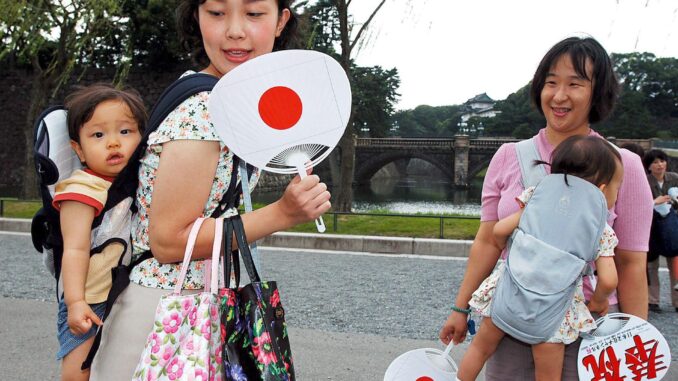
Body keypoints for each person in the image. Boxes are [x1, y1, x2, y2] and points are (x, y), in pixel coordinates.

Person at [89, 1, 330, 379]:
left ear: (281, 20)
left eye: (254, 14)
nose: (234, 30)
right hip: (166, 319)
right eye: (217, 13)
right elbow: (169, 242)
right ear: (197, 17)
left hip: (195, 307)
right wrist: (282, 213)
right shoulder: (206, 110)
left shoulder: (228, 98)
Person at [439, 36, 653, 380]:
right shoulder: (509, 156)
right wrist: (460, 307)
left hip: (589, 330)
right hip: (511, 315)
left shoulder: (621, 165)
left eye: (575, 84)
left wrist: (634, 339)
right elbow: (488, 242)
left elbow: (630, 263)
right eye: (551, 82)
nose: (559, 95)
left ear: (597, 93)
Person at [456, 136, 621, 381]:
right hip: (554, 312)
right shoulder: (600, 228)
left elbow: (499, 230)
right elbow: (608, 280)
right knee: (547, 374)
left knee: (480, 349)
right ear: (603, 189)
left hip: (509, 291)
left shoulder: (535, 197)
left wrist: (510, 249)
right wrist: (598, 302)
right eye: (617, 187)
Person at [54, 84, 146, 381]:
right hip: (89, 298)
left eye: (125, 132)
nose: (113, 144)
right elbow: (75, 248)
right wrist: (75, 302)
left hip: (124, 295)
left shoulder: (140, 183)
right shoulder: (81, 189)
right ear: (78, 148)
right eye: (98, 135)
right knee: (78, 370)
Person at [643, 149, 678, 312]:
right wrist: (655, 202)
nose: (660, 165)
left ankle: (677, 301)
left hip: (672, 226)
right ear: (649, 166)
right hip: (651, 227)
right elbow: (640, 204)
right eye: (655, 162)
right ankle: (653, 300)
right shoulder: (644, 181)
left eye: (662, 161)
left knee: (675, 263)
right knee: (652, 265)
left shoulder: (674, 178)